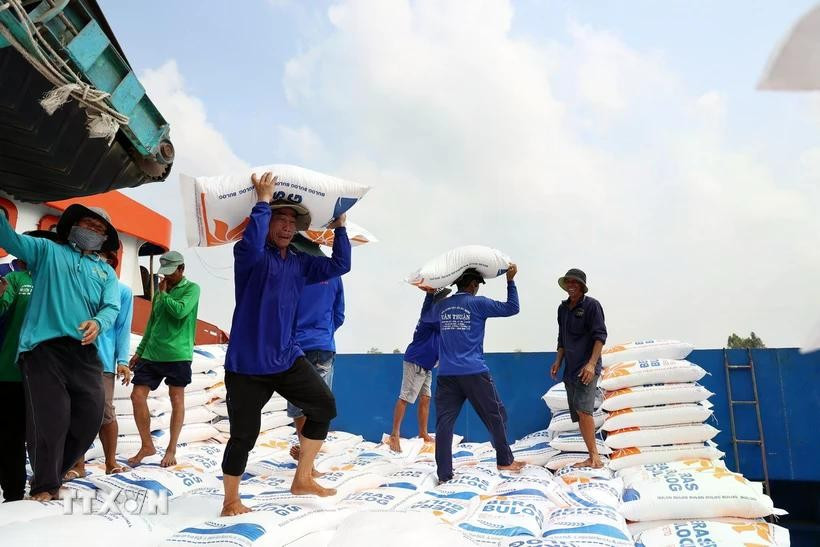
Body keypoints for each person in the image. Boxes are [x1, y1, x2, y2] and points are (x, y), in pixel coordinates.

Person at [220, 172, 350, 517]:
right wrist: (263, 201)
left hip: (286, 357)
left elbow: (341, 264)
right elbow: (250, 243)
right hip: (247, 364)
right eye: (282, 218)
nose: (288, 226)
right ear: (266, 222)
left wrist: (340, 228)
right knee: (243, 436)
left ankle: (303, 477)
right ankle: (231, 500)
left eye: (293, 222)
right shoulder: (249, 257)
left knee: (324, 406)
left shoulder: (299, 262)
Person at [0, 205, 120, 501]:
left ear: (105, 238)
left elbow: (112, 307)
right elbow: (10, 238)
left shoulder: (105, 272)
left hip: (83, 352)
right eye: (86, 224)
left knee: (90, 416)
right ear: (72, 226)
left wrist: (98, 322)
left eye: (98, 229)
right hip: (43, 349)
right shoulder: (46, 251)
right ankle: (44, 485)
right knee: (51, 418)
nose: (92, 231)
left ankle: (54, 473)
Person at [432, 266, 525, 484]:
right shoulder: (478, 303)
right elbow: (512, 307)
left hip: (446, 374)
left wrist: (430, 295)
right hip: (473, 371)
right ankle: (504, 460)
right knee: (496, 414)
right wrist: (510, 281)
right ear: (473, 285)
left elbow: (427, 317)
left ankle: (444, 475)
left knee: (444, 424)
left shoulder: (442, 306)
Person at [0, 230, 61, 502]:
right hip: (11, 372)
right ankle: (13, 492)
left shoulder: (59, 282)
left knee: (46, 434)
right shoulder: (15, 279)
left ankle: (47, 485)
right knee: (11, 435)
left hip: (48, 375)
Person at [127, 251, 200, 468]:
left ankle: (171, 449)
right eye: (164, 273)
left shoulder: (192, 289)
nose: (166, 277)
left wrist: (165, 295)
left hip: (178, 354)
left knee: (176, 399)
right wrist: (140, 350)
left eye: (171, 273)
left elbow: (180, 312)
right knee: (136, 395)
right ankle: (147, 444)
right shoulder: (160, 293)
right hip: (152, 353)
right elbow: (152, 324)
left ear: (181, 269)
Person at [68, 251, 134, 478]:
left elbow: (123, 328)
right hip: (76, 355)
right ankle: (78, 465)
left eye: (103, 258)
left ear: (111, 264)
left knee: (105, 411)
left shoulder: (124, 292)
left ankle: (110, 461)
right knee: (76, 411)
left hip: (103, 361)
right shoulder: (79, 286)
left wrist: (123, 361)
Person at [287, 234, 345, 464]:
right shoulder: (333, 273)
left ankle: (305, 456)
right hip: (323, 346)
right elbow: (339, 314)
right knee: (320, 406)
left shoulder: (293, 270)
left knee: (298, 405)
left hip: (294, 347)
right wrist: (324, 331)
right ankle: (308, 462)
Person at [550, 268, 607, 468]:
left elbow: (600, 336)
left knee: (585, 411)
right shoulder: (562, 309)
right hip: (570, 368)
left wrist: (592, 364)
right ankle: (591, 457)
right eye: (568, 282)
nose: (571, 285)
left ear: (582, 286)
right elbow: (562, 338)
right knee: (579, 413)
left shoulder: (592, 306)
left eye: (575, 282)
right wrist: (558, 360)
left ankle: (595, 458)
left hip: (587, 368)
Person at [387, 287, 451, 453]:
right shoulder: (429, 319)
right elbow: (428, 308)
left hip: (427, 365)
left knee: (425, 398)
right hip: (415, 362)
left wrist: (430, 294)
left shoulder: (433, 318)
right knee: (405, 397)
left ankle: (423, 433)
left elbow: (429, 304)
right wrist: (430, 295)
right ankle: (395, 434)